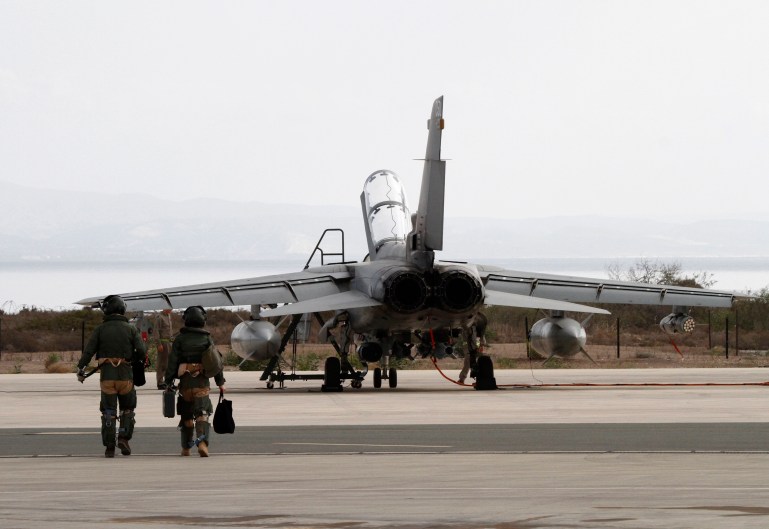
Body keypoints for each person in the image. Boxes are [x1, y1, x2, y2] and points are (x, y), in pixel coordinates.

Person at [77, 294, 147, 458]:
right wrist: (134, 361)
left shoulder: (100, 329)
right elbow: (142, 351)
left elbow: (89, 351)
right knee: (127, 409)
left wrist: (81, 368)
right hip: (125, 377)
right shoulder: (131, 329)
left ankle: (109, 446)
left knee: (108, 411)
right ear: (122, 309)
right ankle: (123, 437)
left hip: (107, 377)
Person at [162, 305, 226, 457]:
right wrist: (220, 382)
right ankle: (202, 443)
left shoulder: (179, 340)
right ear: (202, 320)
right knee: (202, 414)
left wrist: (168, 382)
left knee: (186, 418)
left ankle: (186, 448)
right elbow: (216, 363)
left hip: (185, 385)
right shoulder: (207, 339)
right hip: (201, 384)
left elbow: (172, 362)